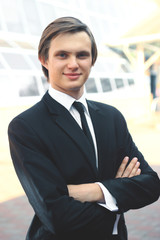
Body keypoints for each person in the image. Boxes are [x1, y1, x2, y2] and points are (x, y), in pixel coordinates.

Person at [8, 17, 160, 240]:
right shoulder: (25, 127)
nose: (73, 64)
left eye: (82, 55)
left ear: (92, 60)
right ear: (44, 59)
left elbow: (151, 185)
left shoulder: (111, 117)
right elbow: (58, 217)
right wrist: (118, 194)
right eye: (62, 55)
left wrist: (93, 191)